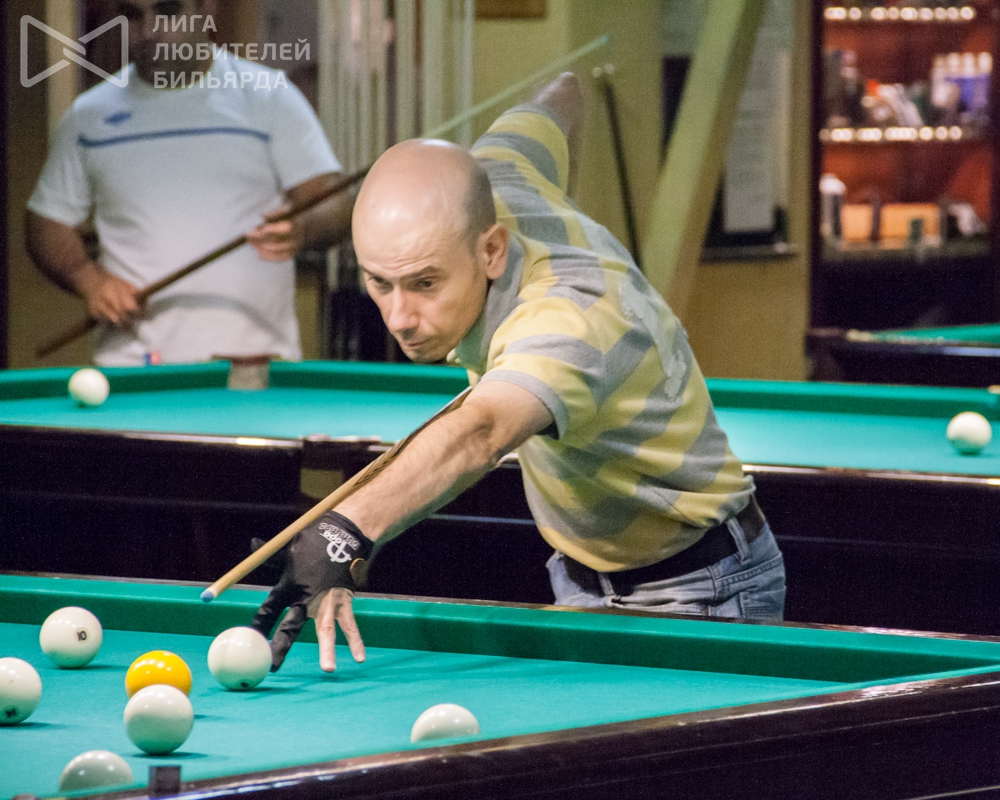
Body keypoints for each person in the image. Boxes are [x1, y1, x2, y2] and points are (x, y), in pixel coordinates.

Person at [251, 73, 786, 673]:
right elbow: (565, 94)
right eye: (380, 282)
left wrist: (346, 532)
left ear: (492, 250)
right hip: (578, 577)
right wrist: (564, 206)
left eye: (425, 283)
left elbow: (482, 432)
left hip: (700, 587)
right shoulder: (501, 168)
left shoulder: (569, 320)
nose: (399, 317)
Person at [26, 0, 353, 365]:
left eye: (167, 11)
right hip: (132, 367)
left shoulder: (269, 96)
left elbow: (334, 202)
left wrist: (303, 227)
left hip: (251, 366)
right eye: (133, 15)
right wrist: (89, 279)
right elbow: (46, 221)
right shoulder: (88, 116)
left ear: (207, 9)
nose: (149, 30)